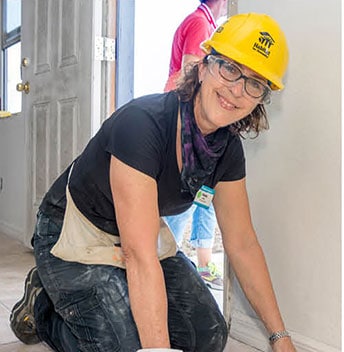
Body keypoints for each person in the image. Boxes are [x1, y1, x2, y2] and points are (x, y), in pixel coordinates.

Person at [8, 13, 296, 351]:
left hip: (136, 234)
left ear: (260, 99)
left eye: (255, 83)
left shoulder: (227, 149)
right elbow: (139, 255)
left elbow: (243, 245)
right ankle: (42, 307)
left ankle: (112, 299)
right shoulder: (142, 124)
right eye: (230, 69)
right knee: (122, 344)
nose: (237, 90)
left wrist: (280, 337)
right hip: (71, 230)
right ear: (203, 67)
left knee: (208, 335)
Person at [164, 0, 228, 291]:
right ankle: (164, 260)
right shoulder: (199, 24)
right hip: (189, 118)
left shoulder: (205, 24)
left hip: (199, 121)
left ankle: (203, 265)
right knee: (187, 194)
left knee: (206, 192)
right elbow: (190, 73)